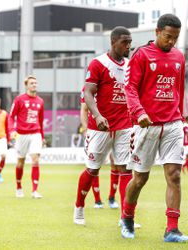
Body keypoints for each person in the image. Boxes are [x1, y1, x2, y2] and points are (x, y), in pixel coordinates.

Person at [121, 14, 188, 242]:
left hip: (172, 124)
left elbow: (179, 91)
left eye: (175, 38)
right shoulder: (141, 55)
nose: (171, 41)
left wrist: (180, 117)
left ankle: (172, 229)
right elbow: (130, 88)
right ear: (157, 32)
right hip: (147, 125)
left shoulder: (179, 57)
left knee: (174, 176)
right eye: (168, 36)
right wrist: (139, 112)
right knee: (140, 179)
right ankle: (127, 217)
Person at [74, 26, 135, 226]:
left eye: (130, 42)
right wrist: (98, 115)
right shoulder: (98, 63)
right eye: (124, 42)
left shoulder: (130, 65)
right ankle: (79, 207)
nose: (128, 46)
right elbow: (88, 93)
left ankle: (126, 217)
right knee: (93, 169)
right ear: (113, 42)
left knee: (126, 169)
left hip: (125, 126)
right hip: (100, 127)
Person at [80, 86, 120, 209]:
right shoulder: (87, 88)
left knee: (117, 164)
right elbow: (84, 109)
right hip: (96, 132)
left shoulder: (116, 82)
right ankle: (97, 200)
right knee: (94, 166)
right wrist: (85, 129)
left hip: (117, 129)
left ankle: (112, 198)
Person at [9, 75, 45, 199]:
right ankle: (19, 187)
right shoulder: (19, 99)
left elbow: (40, 120)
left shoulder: (40, 101)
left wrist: (43, 136)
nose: (34, 85)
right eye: (32, 83)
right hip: (21, 135)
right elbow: (11, 116)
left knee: (35, 159)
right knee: (20, 161)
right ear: (26, 85)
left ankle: (35, 191)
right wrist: (12, 130)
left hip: (36, 133)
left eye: (35, 83)